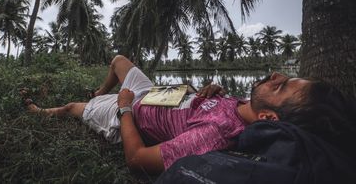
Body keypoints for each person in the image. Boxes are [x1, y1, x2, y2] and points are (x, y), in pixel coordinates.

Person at [23, 55, 356, 175]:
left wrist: (124, 107)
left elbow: (137, 159)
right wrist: (203, 91)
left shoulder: (217, 135)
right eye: (286, 76)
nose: (276, 76)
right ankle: (98, 93)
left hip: (132, 109)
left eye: (282, 87)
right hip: (155, 93)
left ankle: (46, 111)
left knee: (70, 109)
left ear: (269, 118)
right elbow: (203, 104)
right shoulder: (241, 102)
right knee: (118, 60)